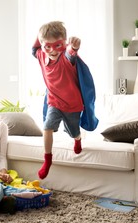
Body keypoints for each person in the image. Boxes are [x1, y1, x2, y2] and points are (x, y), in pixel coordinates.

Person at [32, 21, 84, 180]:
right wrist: (42, 32)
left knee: (73, 131)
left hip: (72, 104)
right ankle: (47, 160)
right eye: (48, 46)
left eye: (58, 45)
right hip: (54, 102)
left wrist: (73, 47)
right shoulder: (41, 54)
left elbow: (71, 52)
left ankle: (78, 139)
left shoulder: (67, 57)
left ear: (64, 43)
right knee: (47, 127)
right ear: (42, 44)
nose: (53, 50)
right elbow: (35, 48)